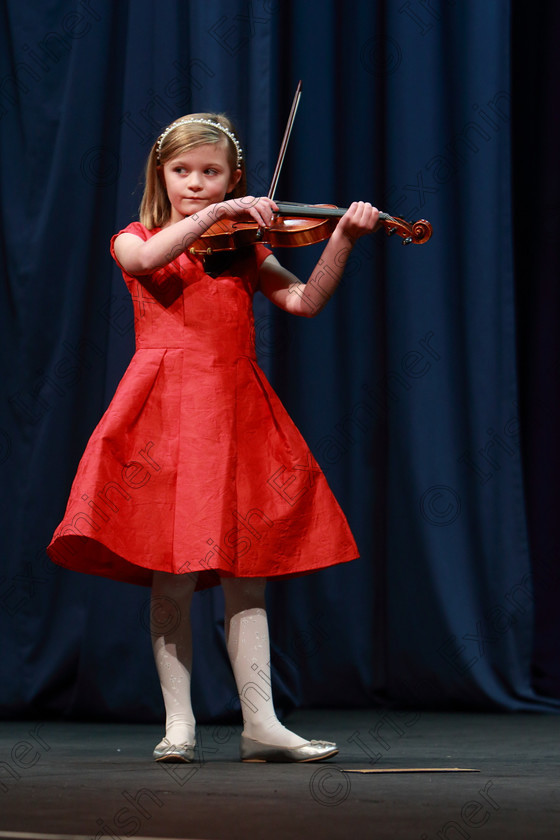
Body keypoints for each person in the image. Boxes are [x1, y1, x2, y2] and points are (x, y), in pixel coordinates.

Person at [48, 112, 379, 763]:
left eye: (212, 173)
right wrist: (220, 212)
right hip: (165, 423)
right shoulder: (136, 236)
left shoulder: (244, 250)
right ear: (161, 176)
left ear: (234, 176)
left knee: (246, 578)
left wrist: (342, 237)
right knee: (171, 578)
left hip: (237, 419)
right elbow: (147, 259)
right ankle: (179, 725)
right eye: (183, 172)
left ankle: (261, 724)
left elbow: (305, 302)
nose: (196, 184)